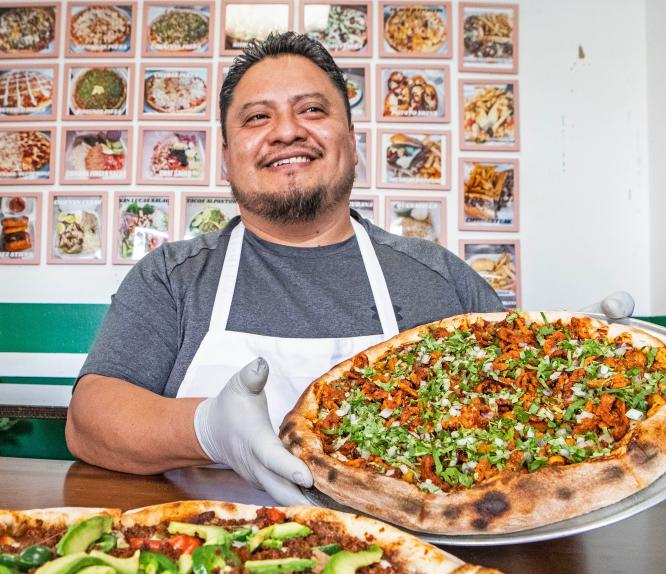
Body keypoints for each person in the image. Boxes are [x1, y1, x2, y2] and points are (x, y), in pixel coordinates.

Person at [66, 33, 633, 505]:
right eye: (257, 118)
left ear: (353, 141)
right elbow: (90, 422)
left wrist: (563, 377)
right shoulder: (173, 276)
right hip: (203, 562)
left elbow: (517, 433)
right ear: (227, 155)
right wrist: (208, 430)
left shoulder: (441, 279)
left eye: (312, 110)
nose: (287, 131)